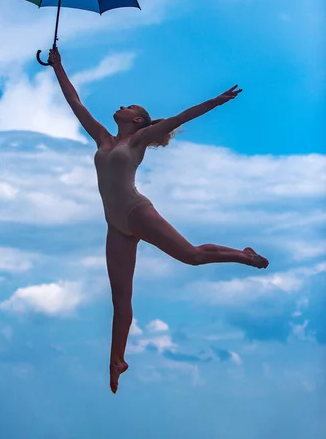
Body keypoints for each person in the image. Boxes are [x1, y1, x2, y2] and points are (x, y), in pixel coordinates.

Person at [48, 46, 268, 394]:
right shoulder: (104, 138)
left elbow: (180, 117)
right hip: (116, 225)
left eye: (130, 106)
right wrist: (58, 66)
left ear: (137, 120)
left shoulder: (139, 140)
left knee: (192, 256)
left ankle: (245, 255)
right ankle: (117, 360)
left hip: (137, 211)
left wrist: (216, 101)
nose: (123, 105)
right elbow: (76, 103)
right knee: (120, 297)